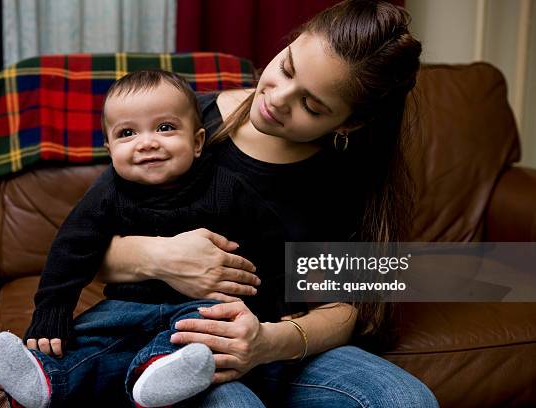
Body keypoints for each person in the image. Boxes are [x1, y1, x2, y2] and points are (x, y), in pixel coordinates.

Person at [96, 0, 441, 407]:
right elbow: (81, 249)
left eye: (312, 106)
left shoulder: (347, 171)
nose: (278, 98)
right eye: (287, 68)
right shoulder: (184, 126)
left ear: (349, 123)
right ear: (291, 41)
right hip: (177, 345)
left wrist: (269, 342)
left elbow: (349, 305)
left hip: (278, 346)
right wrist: (163, 256)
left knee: (407, 400)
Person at [0, 70, 300, 408]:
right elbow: (71, 250)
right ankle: (47, 379)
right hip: (127, 309)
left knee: (209, 332)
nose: (147, 142)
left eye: (165, 128)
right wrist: (51, 312)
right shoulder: (108, 193)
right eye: (127, 133)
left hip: (199, 309)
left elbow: (270, 243)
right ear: (110, 150)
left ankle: (157, 372)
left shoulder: (227, 188)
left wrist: (281, 305)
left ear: (197, 142)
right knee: (87, 336)